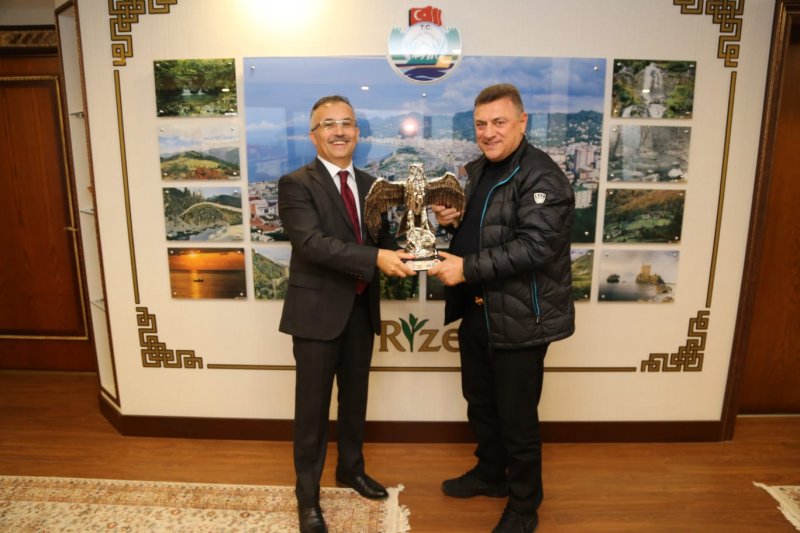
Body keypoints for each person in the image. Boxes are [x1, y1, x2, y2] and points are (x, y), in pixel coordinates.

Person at [428, 83, 575, 533]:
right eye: (480, 124)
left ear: (522, 122)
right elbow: (486, 227)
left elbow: (536, 247)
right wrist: (455, 220)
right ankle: (491, 474)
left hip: (520, 317)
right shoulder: (479, 170)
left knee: (517, 420)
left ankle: (524, 507)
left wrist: (466, 268)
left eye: (498, 122)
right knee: (481, 404)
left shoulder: (542, 176)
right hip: (479, 309)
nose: (488, 132)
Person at [278, 95, 416, 533]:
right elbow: (311, 244)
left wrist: (418, 248)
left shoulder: (373, 184)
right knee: (313, 410)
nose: (339, 131)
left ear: (358, 132)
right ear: (313, 134)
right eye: (328, 124)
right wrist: (376, 257)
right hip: (317, 313)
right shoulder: (295, 184)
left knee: (355, 400)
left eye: (347, 123)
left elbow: (384, 240)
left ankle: (351, 470)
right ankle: (307, 496)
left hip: (360, 309)